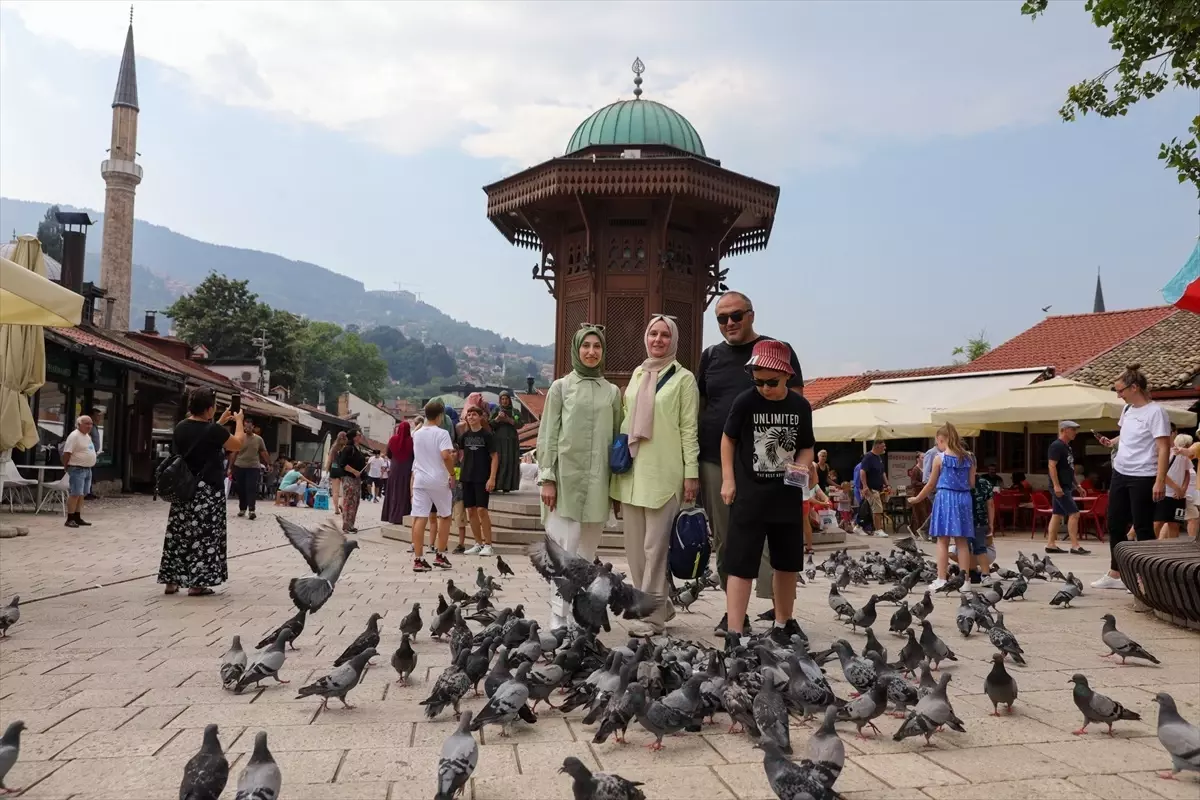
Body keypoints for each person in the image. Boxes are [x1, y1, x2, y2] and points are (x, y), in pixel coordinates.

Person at [697, 291, 803, 634]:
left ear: (751, 315)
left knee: (778, 540)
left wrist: (799, 466)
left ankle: (780, 613)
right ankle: (735, 615)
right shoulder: (710, 356)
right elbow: (699, 406)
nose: (729, 323)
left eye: (736, 316)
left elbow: (797, 407)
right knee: (728, 538)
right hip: (718, 460)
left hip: (771, 464)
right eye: (721, 318)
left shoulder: (776, 351)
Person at [720, 338, 815, 642]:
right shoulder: (745, 402)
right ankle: (734, 629)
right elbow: (728, 439)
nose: (764, 388)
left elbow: (807, 446)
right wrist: (728, 479)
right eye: (758, 381)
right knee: (740, 563)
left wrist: (802, 465)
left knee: (787, 563)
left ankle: (783, 623)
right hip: (750, 495)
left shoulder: (800, 406)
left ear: (788, 376)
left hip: (786, 496)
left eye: (771, 382)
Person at [611, 315, 700, 636]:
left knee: (655, 550)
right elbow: (625, 420)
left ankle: (651, 618)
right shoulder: (637, 373)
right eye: (653, 333)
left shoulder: (684, 379)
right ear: (646, 338)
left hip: (665, 474)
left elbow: (689, 429)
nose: (658, 339)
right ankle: (660, 604)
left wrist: (691, 473)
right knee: (634, 552)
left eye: (665, 335)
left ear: (673, 340)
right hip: (632, 474)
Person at [538, 324, 622, 628]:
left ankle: (579, 620)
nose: (591, 352)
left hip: (598, 484)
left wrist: (615, 490)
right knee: (563, 555)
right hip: (565, 483)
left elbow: (617, 443)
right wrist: (548, 477)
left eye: (596, 346)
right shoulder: (560, 387)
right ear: (576, 349)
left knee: (587, 558)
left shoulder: (611, 392)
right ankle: (557, 620)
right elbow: (548, 435)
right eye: (585, 346)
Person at [158, 388, 245, 596]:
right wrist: (239, 421)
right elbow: (237, 444)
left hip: (183, 488)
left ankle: (171, 580)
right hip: (206, 490)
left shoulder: (181, 426)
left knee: (178, 533)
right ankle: (198, 583)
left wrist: (218, 422)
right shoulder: (213, 431)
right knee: (204, 535)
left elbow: (200, 435)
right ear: (209, 409)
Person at [1093, 364, 1172, 590]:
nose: (1118, 395)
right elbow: (1126, 433)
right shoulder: (1127, 410)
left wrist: (1160, 479)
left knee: (1143, 526)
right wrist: (1113, 442)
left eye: (1120, 390)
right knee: (1115, 523)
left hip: (1144, 475)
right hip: (1120, 472)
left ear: (1134, 387)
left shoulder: (1156, 412)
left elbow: (1164, 447)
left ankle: (1147, 576)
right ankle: (1116, 573)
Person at [908, 423, 974, 591]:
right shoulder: (970, 457)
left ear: (942, 439)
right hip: (964, 498)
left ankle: (941, 579)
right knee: (962, 542)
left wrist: (916, 499)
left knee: (942, 541)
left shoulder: (940, 458)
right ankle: (965, 581)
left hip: (945, 498)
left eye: (938, 442)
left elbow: (930, 485)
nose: (937, 446)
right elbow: (972, 483)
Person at [411, 400, 456, 572]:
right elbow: (446, 456)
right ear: (440, 416)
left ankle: (418, 558)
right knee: (444, 515)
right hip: (438, 479)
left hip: (420, 479)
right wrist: (452, 474)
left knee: (420, 517)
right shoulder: (442, 433)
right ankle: (440, 554)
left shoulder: (417, 433)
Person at [1046, 421, 1090, 555]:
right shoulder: (1056, 446)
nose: (1075, 433)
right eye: (1073, 430)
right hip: (1060, 486)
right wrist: (1056, 485)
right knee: (1074, 513)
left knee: (1057, 514)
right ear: (1064, 430)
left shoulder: (1067, 447)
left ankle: (1051, 544)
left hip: (1066, 485)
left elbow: (1069, 470)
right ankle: (1075, 545)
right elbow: (1051, 466)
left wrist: (1077, 485)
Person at [459, 405, 498, 556]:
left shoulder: (487, 436)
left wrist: (492, 477)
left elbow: (495, 457)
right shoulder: (465, 436)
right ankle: (478, 543)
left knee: (482, 510)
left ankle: (488, 544)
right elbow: (461, 454)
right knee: (471, 510)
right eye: (469, 415)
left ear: (481, 417)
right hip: (467, 476)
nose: (471, 417)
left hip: (482, 477)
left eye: (474, 414)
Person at [61, 415, 97, 528]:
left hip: (87, 468)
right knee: (75, 493)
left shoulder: (87, 436)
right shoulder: (74, 436)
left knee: (82, 494)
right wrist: (66, 466)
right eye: (86, 423)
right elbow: (67, 453)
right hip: (77, 468)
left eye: (91, 424)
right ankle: (70, 518)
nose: (89, 426)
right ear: (79, 424)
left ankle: (77, 516)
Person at [1156, 433, 1193, 539]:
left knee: (1175, 524)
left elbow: (1187, 473)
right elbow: (1161, 473)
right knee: (1158, 522)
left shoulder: (1186, 457)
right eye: (1188, 445)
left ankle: (1172, 547)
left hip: (1180, 497)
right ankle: (1152, 545)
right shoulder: (1168, 454)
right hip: (1165, 493)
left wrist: (1183, 490)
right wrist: (1177, 488)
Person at [231, 418, 268, 520]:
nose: (248, 428)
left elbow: (263, 452)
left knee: (251, 488)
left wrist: (269, 463)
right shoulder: (239, 438)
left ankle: (251, 510)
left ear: (253, 427)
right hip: (239, 466)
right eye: (246, 426)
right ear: (243, 427)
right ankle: (242, 508)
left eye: (250, 427)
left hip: (253, 467)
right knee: (241, 489)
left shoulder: (259, 439)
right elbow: (234, 453)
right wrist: (230, 467)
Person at [969, 452, 997, 585]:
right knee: (980, 548)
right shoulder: (985, 482)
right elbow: (990, 505)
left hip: (966, 521)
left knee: (965, 547)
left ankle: (971, 573)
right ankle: (985, 575)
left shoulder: (959, 483)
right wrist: (991, 523)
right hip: (980, 521)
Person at [382, 421, 414, 524]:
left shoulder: (392, 440)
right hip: (407, 469)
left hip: (395, 469)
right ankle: (403, 515)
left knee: (394, 491)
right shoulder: (412, 441)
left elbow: (388, 454)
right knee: (404, 492)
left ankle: (392, 516)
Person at [490, 390, 522, 493]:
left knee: (510, 461)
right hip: (498, 440)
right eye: (502, 399)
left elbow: (520, 424)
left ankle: (507, 486)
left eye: (506, 399)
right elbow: (490, 425)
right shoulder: (496, 410)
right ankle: (495, 484)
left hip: (511, 440)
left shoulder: (515, 411)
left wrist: (509, 420)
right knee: (499, 461)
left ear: (509, 400)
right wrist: (498, 419)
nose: (504, 401)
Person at [337, 430, 367, 533]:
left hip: (356, 479)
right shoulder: (348, 449)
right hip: (349, 478)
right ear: (354, 437)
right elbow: (343, 464)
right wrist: (354, 471)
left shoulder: (357, 448)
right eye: (359, 435)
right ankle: (346, 525)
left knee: (355, 501)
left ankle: (351, 524)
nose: (360, 436)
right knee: (349, 501)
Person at [858, 441, 890, 537]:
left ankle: (858, 526)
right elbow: (862, 472)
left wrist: (887, 484)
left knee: (866, 509)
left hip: (878, 487)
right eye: (883, 446)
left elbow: (882, 472)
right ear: (877, 446)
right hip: (871, 488)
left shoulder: (879, 458)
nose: (885, 448)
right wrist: (865, 486)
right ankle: (878, 529)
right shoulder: (868, 457)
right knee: (877, 509)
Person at [325, 431, 347, 515]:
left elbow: (329, 460)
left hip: (334, 469)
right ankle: (341, 504)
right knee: (345, 491)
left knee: (335, 492)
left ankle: (336, 509)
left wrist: (326, 470)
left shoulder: (333, 447)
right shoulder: (346, 447)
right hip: (343, 469)